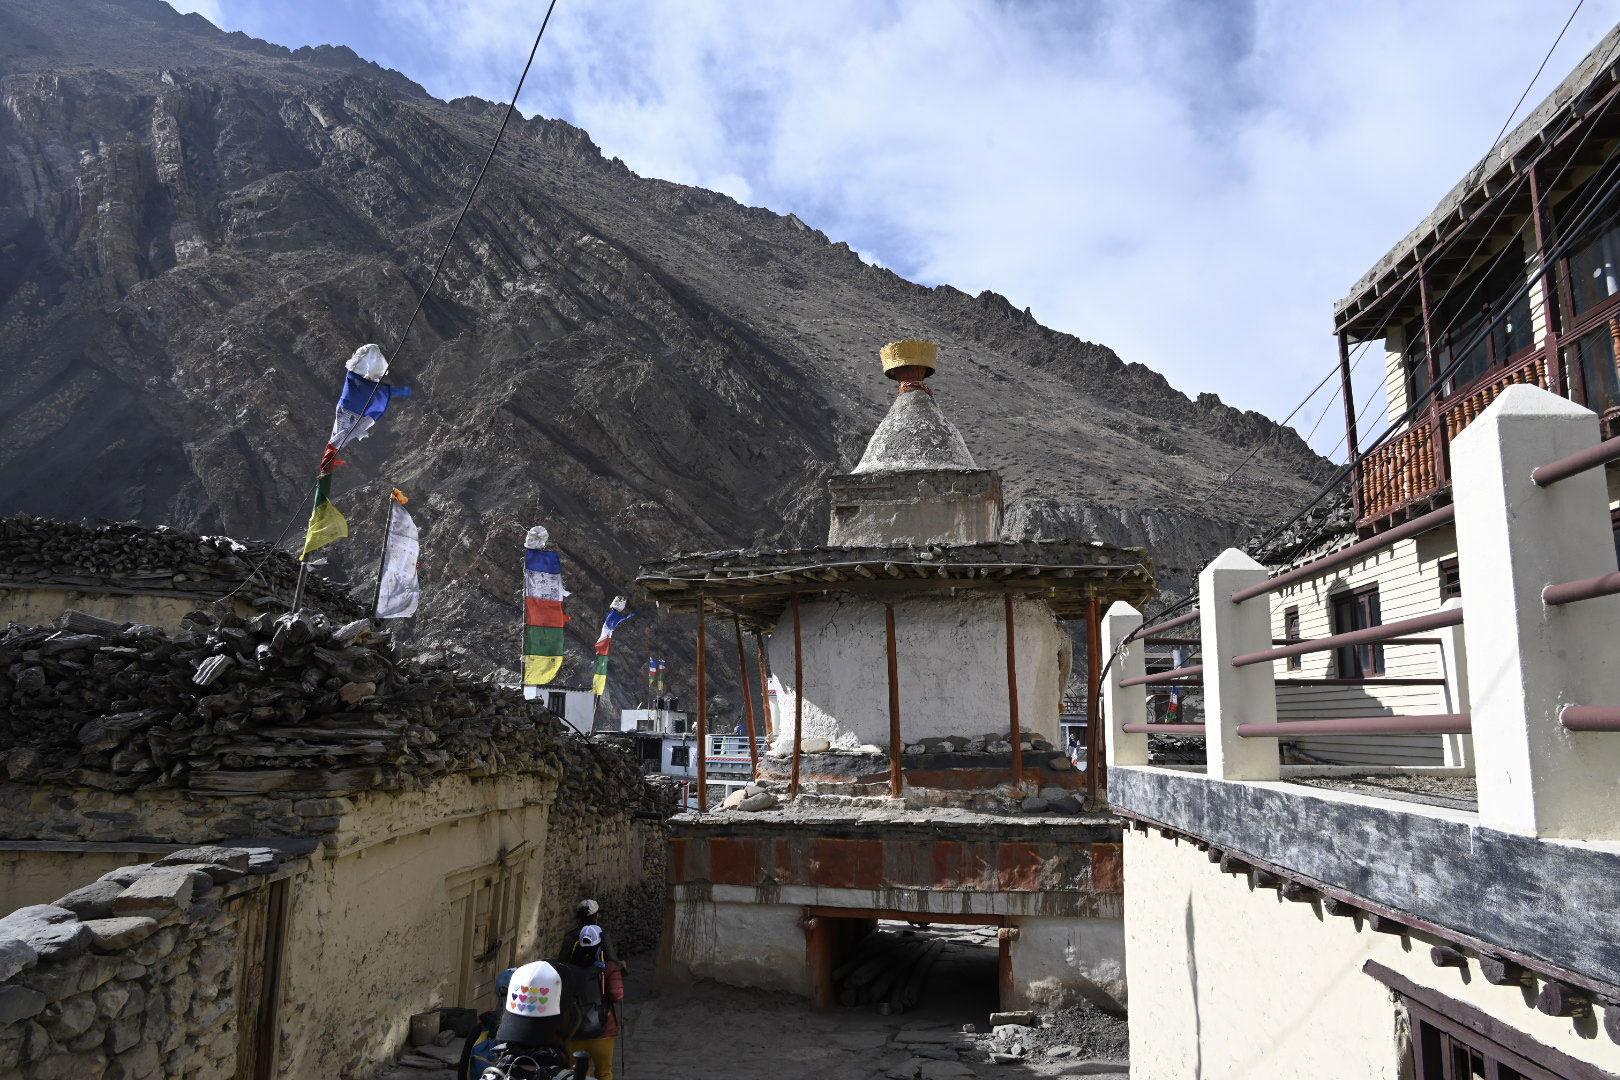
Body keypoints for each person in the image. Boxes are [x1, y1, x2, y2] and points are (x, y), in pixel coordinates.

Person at [563, 925, 625, 1080]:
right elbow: (617, 995)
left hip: (574, 1030)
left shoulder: (567, 969)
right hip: (603, 1030)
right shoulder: (609, 967)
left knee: (578, 1074)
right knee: (604, 1072)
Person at [561, 899, 624, 971]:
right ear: (596, 916)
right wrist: (621, 965)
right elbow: (612, 958)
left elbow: (563, 960)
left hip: (574, 975)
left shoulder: (571, 935)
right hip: (595, 977)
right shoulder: (602, 933)